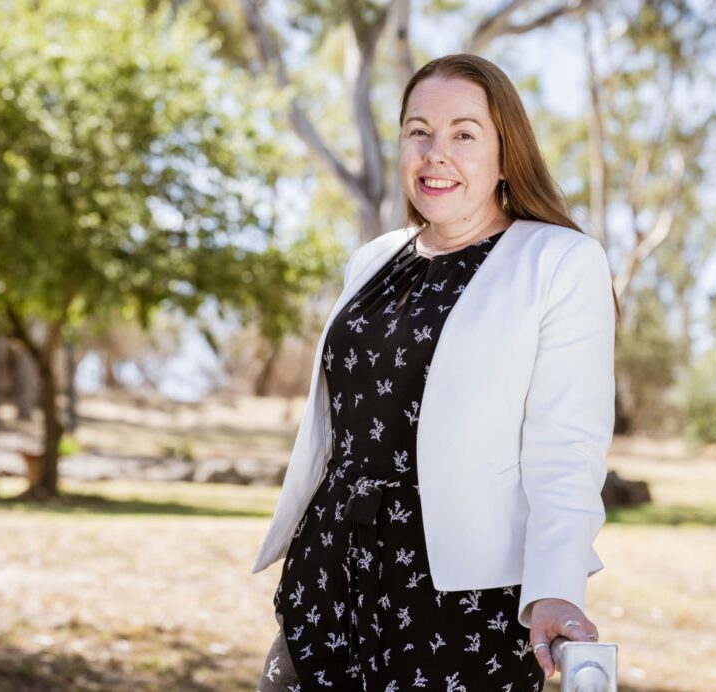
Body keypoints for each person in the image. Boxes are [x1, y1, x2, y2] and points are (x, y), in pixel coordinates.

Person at [254, 53, 618, 691]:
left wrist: (558, 590)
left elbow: (568, 450)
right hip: (331, 574)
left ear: (507, 154)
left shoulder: (560, 261)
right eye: (418, 131)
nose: (435, 152)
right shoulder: (372, 259)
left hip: (460, 603)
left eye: (464, 134)